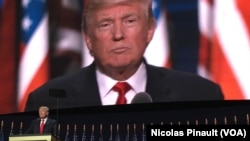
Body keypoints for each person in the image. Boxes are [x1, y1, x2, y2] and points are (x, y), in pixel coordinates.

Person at [24, 0, 224, 112]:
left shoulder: (200, 97)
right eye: (105, 24)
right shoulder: (46, 102)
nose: (118, 34)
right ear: (88, 39)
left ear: (149, 30)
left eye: (129, 21)